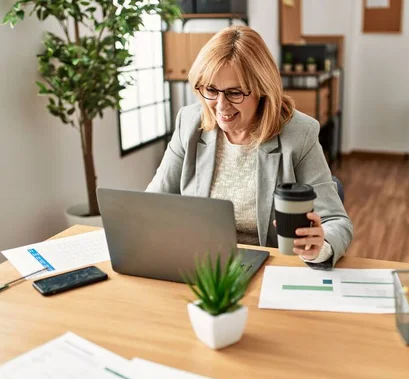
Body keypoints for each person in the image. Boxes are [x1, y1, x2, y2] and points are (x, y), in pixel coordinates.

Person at [146, 25, 353, 269]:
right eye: (211, 90)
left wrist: (320, 246)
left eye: (234, 93)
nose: (221, 106)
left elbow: (336, 221)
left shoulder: (299, 134)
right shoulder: (189, 123)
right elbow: (153, 204)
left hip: (270, 268)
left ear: (262, 89)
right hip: (201, 263)